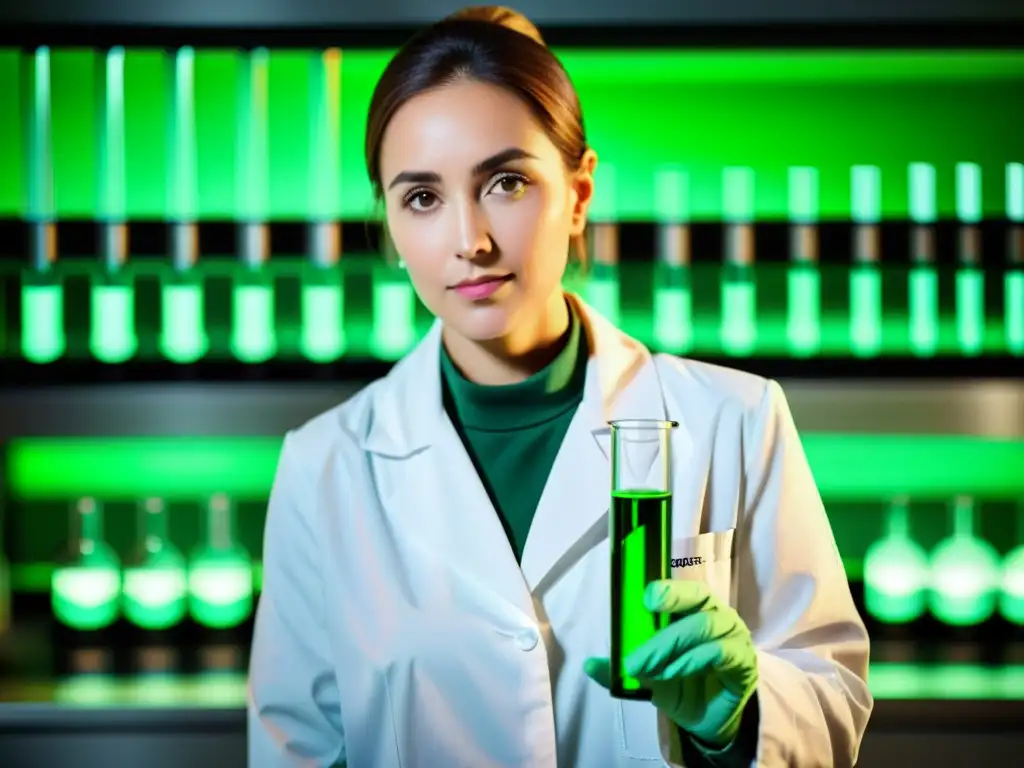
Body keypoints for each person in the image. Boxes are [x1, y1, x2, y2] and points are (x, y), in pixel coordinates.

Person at [247, 6, 873, 767]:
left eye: (505, 182)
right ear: (388, 220)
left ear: (579, 193)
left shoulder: (734, 420)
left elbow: (832, 697)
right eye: (422, 197)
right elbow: (298, 751)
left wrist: (737, 718)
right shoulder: (325, 466)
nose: (469, 241)